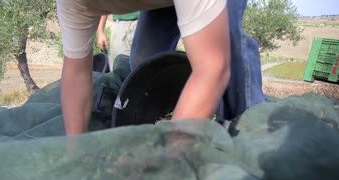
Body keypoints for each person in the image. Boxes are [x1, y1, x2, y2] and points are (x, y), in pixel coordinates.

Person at [56, 0, 265, 136]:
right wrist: (76, 153)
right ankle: (184, 110)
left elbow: (212, 66)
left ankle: (247, 126)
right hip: (158, 3)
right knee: (142, 61)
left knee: (227, 46)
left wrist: (167, 156)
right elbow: (76, 74)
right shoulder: (73, 4)